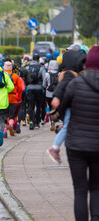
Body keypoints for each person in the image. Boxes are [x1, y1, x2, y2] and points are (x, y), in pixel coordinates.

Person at [60, 46, 99, 221]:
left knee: (80, 190)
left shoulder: (76, 84)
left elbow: (62, 110)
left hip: (76, 145)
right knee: (97, 188)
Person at [26, 54, 46, 129]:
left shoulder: (28, 68)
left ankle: (31, 120)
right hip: (39, 89)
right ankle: (37, 123)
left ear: (32, 59)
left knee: (31, 105)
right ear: (38, 60)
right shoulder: (41, 68)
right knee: (38, 106)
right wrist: (43, 87)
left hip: (30, 88)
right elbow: (44, 79)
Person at [3, 61, 23, 134]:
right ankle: (11, 125)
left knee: (4, 115)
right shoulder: (15, 76)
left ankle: (4, 131)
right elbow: (20, 89)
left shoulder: (2, 75)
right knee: (12, 115)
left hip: (4, 98)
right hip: (13, 97)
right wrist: (19, 98)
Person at [42, 60, 59, 131]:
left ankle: (51, 120)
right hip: (57, 93)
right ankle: (54, 121)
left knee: (50, 105)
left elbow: (44, 85)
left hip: (48, 93)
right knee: (54, 107)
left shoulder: (47, 74)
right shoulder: (59, 74)